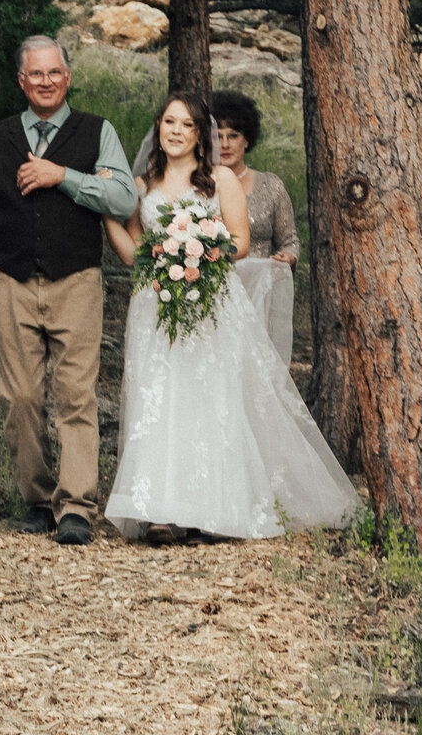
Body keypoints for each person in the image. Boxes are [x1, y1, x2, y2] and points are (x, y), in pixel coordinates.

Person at [102, 90, 357, 543]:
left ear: (200, 135)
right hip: (155, 305)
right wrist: (110, 220)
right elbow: (136, 255)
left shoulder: (219, 180)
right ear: (158, 129)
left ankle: (208, 508)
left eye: (186, 125)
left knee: (207, 400)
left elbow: (239, 241)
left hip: (209, 299)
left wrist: (196, 244)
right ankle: (159, 511)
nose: (176, 132)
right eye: (169, 123)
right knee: (159, 399)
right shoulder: (142, 186)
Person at [0, 36, 138, 546]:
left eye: (54, 72)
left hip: (77, 280)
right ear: (22, 82)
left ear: (67, 77)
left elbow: (122, 197)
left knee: (76, 395)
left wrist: (64, 176)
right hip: (13, 281)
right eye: (36, 74)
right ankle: (37, 500)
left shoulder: (97, 132)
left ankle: (75, 507)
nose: (46, 81)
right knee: (21, 397)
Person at [211, 90, 298, 365]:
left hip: (261, 297)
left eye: (233, 135)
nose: (225, 144)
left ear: (247, 139)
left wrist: (289, 256)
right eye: (217, 135)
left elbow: (290, 239)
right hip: (214, 295)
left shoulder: (270, 186)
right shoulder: (200, 186)